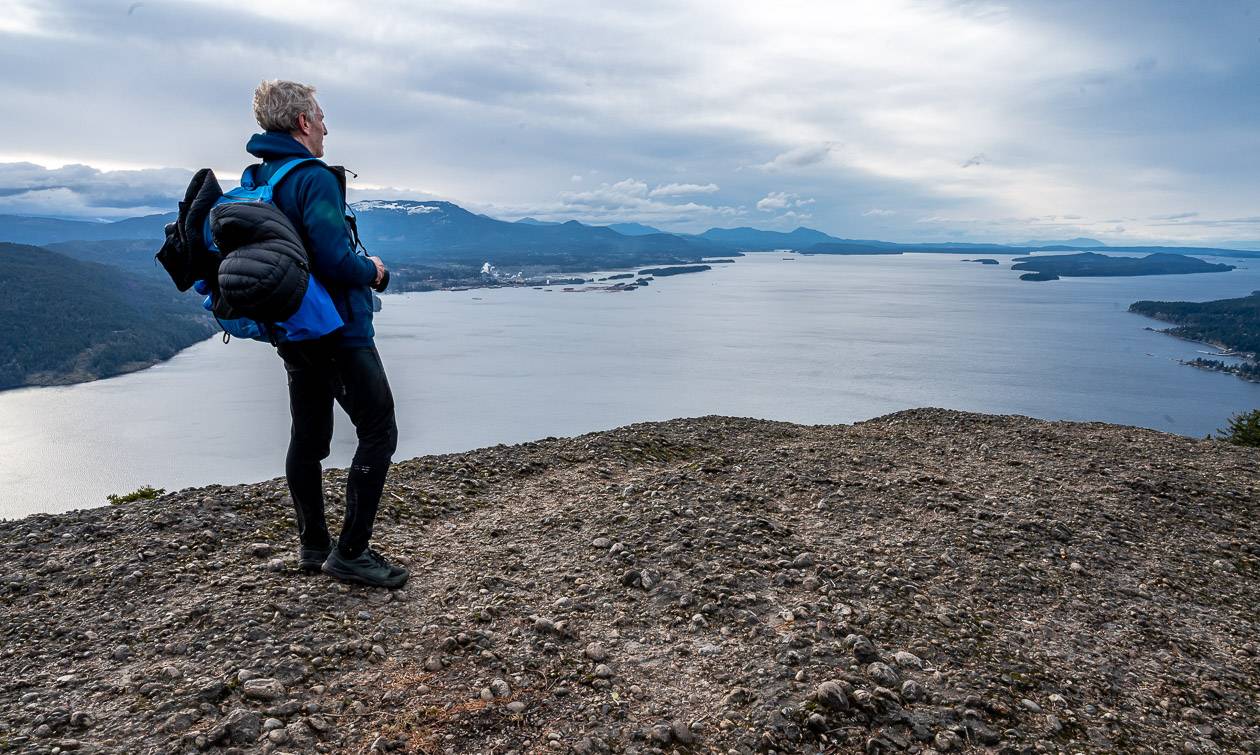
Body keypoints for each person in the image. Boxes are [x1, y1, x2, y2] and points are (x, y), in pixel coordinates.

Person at [247, 79, 407, 588]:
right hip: (339, 329)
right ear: (302, 123)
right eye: (319, 117)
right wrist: (375, 270)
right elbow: (335, 261)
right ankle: (351, 552)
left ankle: (314, 546)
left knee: (309, 437)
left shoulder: (260, 177)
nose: (325, 126)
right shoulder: (312, 178)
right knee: (379, 429)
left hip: (293, 329)